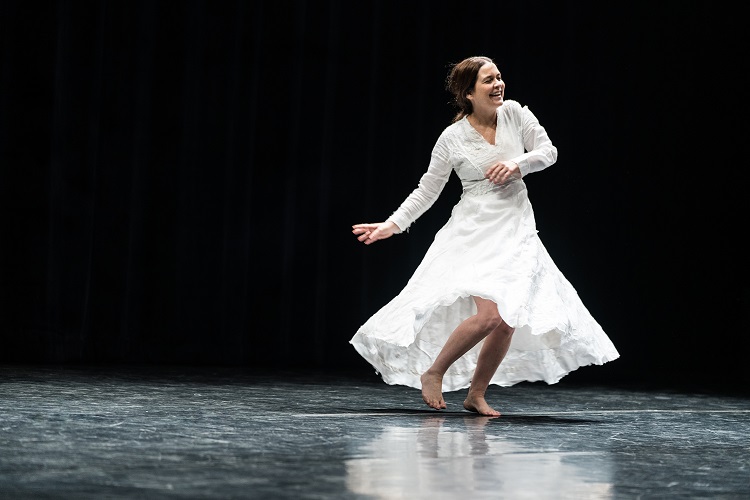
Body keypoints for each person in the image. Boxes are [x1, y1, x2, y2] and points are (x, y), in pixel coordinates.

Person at [350, 56, 619, 416]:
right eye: (488, 80)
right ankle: (434, 372)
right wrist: (392, 224)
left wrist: (518, 163)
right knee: (490, 315)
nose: (498, 85)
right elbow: (427, 190)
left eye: (499, 77)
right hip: (474, 230)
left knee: (506, 321)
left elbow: (548, 152)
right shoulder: (452, 138)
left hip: (516, 227)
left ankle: (476, 394)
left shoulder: (515, 114)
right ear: (468, 92)